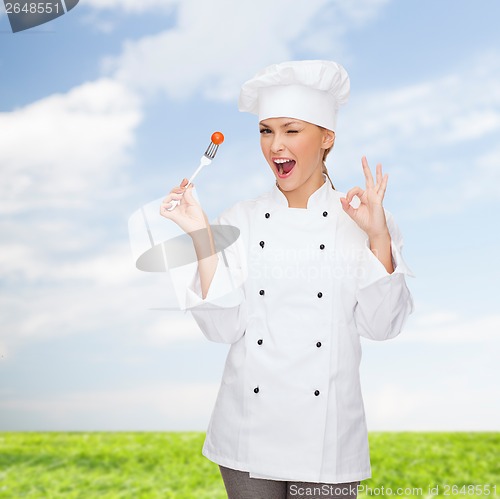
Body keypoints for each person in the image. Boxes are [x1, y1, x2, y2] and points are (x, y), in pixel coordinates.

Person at [160, 60, 414, 499]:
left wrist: (377, 237)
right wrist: (202, 236)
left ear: (327, 137)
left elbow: (383, 326)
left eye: (291, 130)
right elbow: (223, 328)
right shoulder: (239, 219)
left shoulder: (365, 218)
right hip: (247, 433)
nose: (276, 145)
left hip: (328, 436)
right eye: (265, 130)